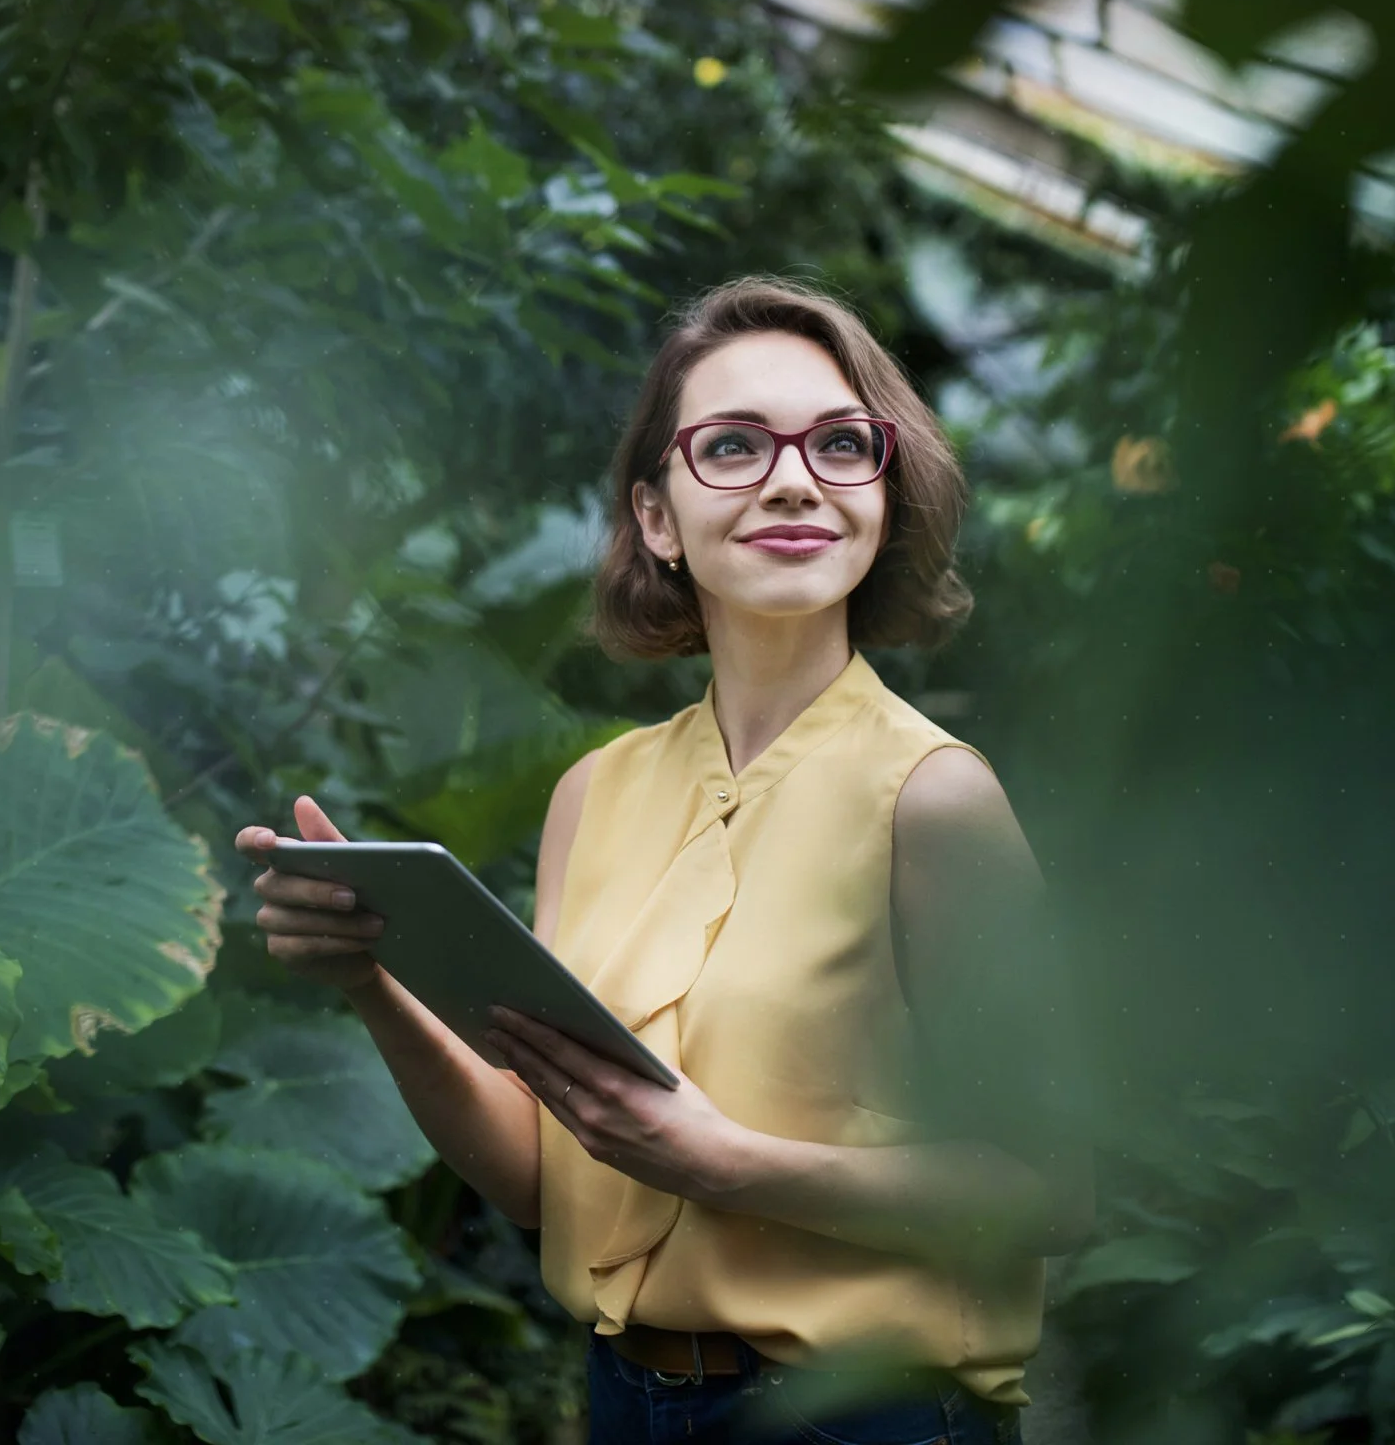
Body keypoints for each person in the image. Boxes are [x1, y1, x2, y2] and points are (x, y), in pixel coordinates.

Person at [234, 276, 1092, 1445]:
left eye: (842, 444)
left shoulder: (935, 797)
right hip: (628, 1402)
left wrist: (730, 1163)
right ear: (655, 515)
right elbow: (544, 1176)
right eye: (733, 445)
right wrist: (368, 980)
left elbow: (1054, 1192)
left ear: (883, 493)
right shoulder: (598, 793)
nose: (795, 478)